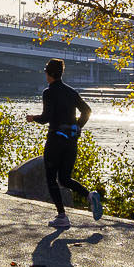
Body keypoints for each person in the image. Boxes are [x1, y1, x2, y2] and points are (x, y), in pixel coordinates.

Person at [29, 60, 104, 221]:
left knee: (51, 178)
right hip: (71, 141)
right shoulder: (71, 92)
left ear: (49, 74)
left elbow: (46, 118)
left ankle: (62, 215)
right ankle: (89, 195)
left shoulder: (48, 92)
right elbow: (87, 111)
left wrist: (33, 118)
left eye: (46, 72)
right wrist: (77, 127)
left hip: (55, 140)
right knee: (65, 178)